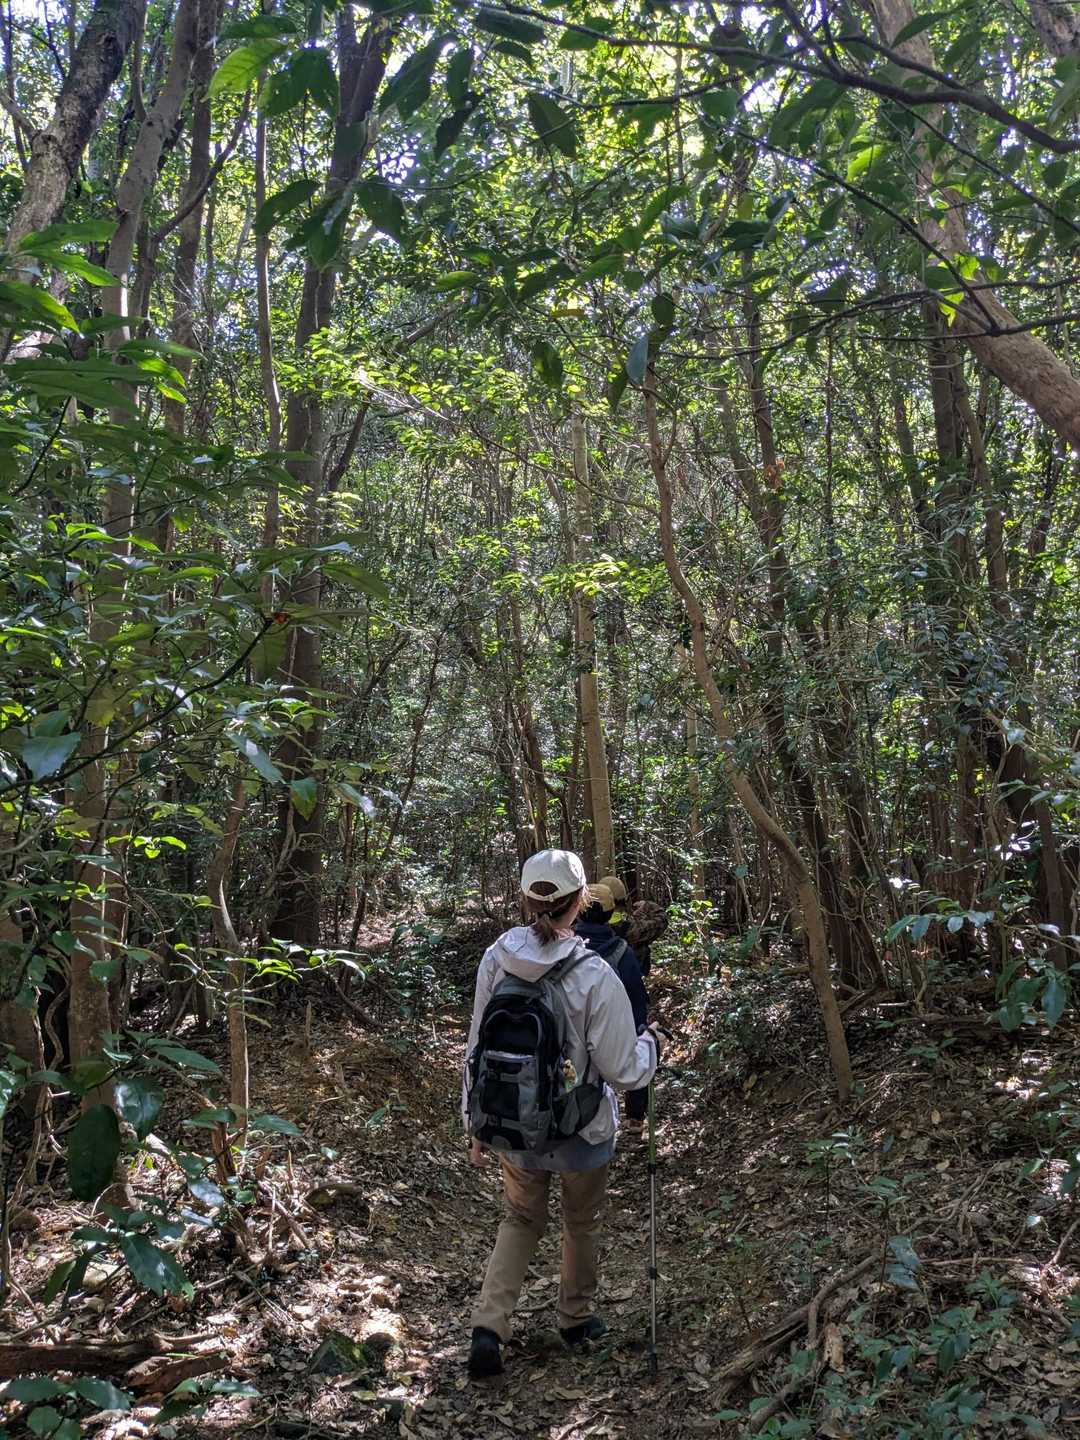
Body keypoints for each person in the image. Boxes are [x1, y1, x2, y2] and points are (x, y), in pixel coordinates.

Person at [463, 849, 662, 1379]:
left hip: (511, 1122)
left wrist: (474, 1120)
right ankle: (575, 1320)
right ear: (580, 901)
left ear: (527, 900)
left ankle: (489, 1327)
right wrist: (653, 1044)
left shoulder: (497, 957)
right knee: (581, 1221)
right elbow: (624, 1070)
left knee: (520, 1218)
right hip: (581, 1128)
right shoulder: (595, 973)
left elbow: (477, 1046)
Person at [575, 883, 649, 1136]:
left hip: (575, 1028)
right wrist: (641, 1032)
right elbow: (637, 1000)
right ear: (609, 913)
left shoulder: (564, 947)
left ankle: (576, 1118)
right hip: (614, 1030)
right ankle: (635, 1117)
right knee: (639, 1045)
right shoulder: (621, 951)